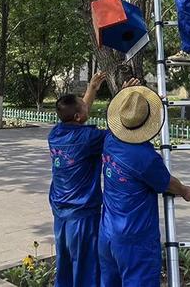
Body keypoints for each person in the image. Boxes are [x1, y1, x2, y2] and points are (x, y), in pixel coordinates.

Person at [99, 85, 190, 287]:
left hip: (108, 232)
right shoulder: (145, 158)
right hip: (135, 239)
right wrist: (185, 191)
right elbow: (168, 183)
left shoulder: (110, 140)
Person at [48, 71, 138, 287]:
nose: (87, 105)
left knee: (65, 261)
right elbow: (117, 129)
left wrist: (92, 89)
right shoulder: (88, 139)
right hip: (82, 214)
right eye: (84, 104)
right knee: (85, 264)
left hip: (61, 210)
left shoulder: (55, 133)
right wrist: (123, 97)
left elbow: (78, 114)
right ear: (79, 116)